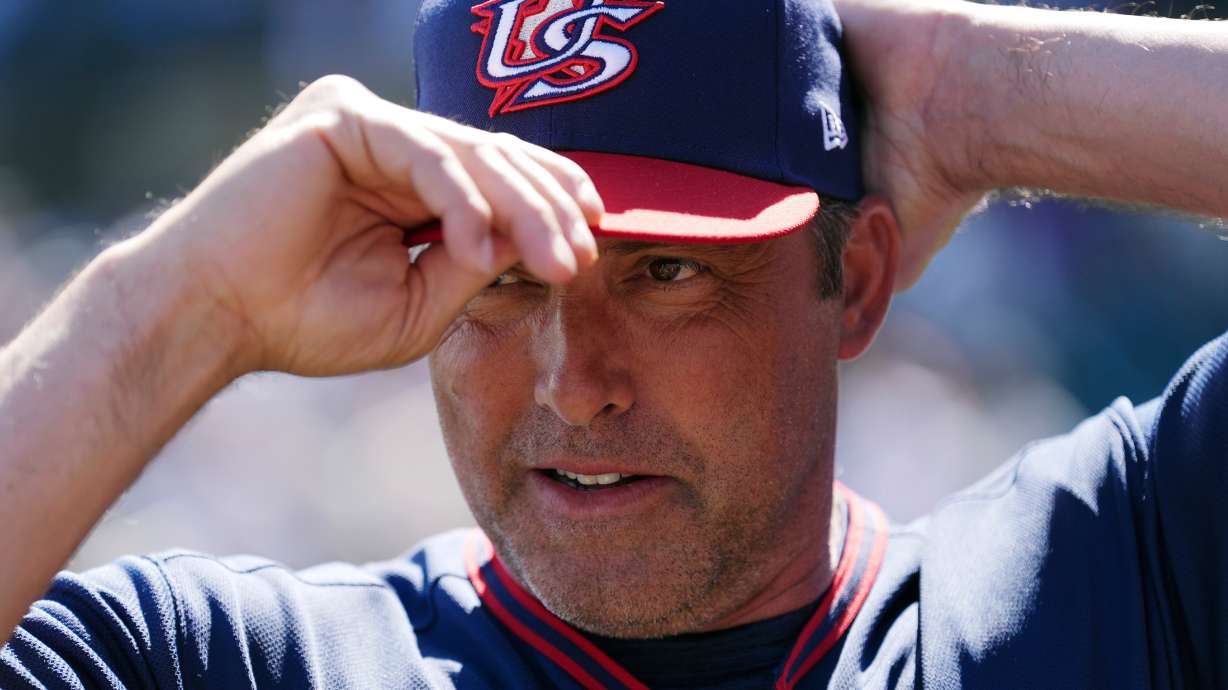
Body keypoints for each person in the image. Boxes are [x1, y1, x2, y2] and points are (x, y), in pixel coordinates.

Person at [1, 0, 1225, 687]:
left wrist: (977, 98)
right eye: (503, 276)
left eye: (666, 273)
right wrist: (166, 310)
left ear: (853, 282)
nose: (571, 383)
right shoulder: (240, 666)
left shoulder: (1112, 578)